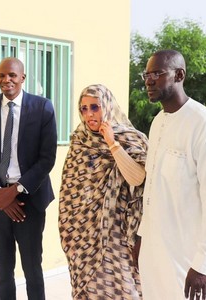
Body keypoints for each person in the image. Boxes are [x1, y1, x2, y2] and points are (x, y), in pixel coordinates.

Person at [134, 49, 206, 300]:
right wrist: (142, 236)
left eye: (157, 73)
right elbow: (153, 187)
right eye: (147, 74)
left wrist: (204, 263)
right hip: (155, 253)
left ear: (179, 75)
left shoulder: (205, 124)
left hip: (187, 258)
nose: (149, 80)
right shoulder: (157, 123)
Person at [0, 57, 57, 300]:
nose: (6, 80)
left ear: (23, 77)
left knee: (32, 269)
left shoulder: (43, 107)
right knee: (3, 270)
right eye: (1, 75)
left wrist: (16, 190)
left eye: (11, 75)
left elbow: (47, 158)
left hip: (30, 201)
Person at [59, 84, 148, 299]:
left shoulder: (131, 138)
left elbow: (137, 178)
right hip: (84, 231)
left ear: (107, 106)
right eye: (84, 109)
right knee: (91, 289)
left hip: (118, 227)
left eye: (95, 107)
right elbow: (71, 189)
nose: (89, 114)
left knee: (122, 285)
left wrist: (112, 143)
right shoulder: (80, 140)